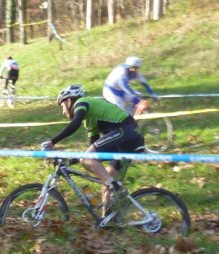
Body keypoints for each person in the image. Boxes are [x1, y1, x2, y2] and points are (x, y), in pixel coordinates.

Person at [41, 84, 145, 221]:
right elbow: (92, 151)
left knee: (92, 164)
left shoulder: (82, 103)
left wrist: (53, 141)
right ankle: (108, 221)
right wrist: (69, 161)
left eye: (62, 106)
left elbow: (75, 124)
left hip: (125, 132)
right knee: (106, 181)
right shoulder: (90, 119)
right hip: (129, 138)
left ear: (68, 101)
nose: (63, 111)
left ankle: (119, 191)